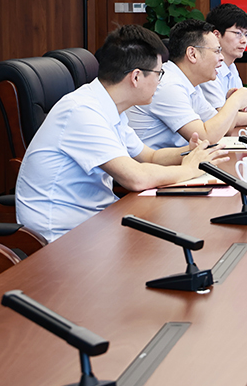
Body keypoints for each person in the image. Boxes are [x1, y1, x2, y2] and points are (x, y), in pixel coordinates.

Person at [15, 25, 228, 242]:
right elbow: (135, 178)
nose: (160, 81)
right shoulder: (82, 111)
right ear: (136, 77)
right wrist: (188, 169)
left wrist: (191, 153)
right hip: (63, 237)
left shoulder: (109, 105)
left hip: (98, 221)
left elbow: (149, 156)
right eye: (159, 74)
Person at [126, 19, 247, 149]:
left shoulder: (189, 82)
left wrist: (231, 102)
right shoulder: (168, 84)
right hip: (152, 161)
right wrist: (235, 102)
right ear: (192, 54)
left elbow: (225, 129)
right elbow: (206, 137)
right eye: (217, 51)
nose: (221, 58)